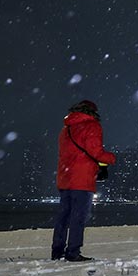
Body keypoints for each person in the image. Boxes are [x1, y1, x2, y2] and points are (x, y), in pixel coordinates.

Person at [52, 100, 116, 262]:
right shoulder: (92, 126)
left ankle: (57, 251)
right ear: (92, 112)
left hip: (65, 177)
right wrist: (111, 158)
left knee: (63, 217)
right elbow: (96, 152)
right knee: (78, 217)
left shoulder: (65, 129)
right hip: (82, 178)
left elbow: (66, 154)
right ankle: (73, 252)